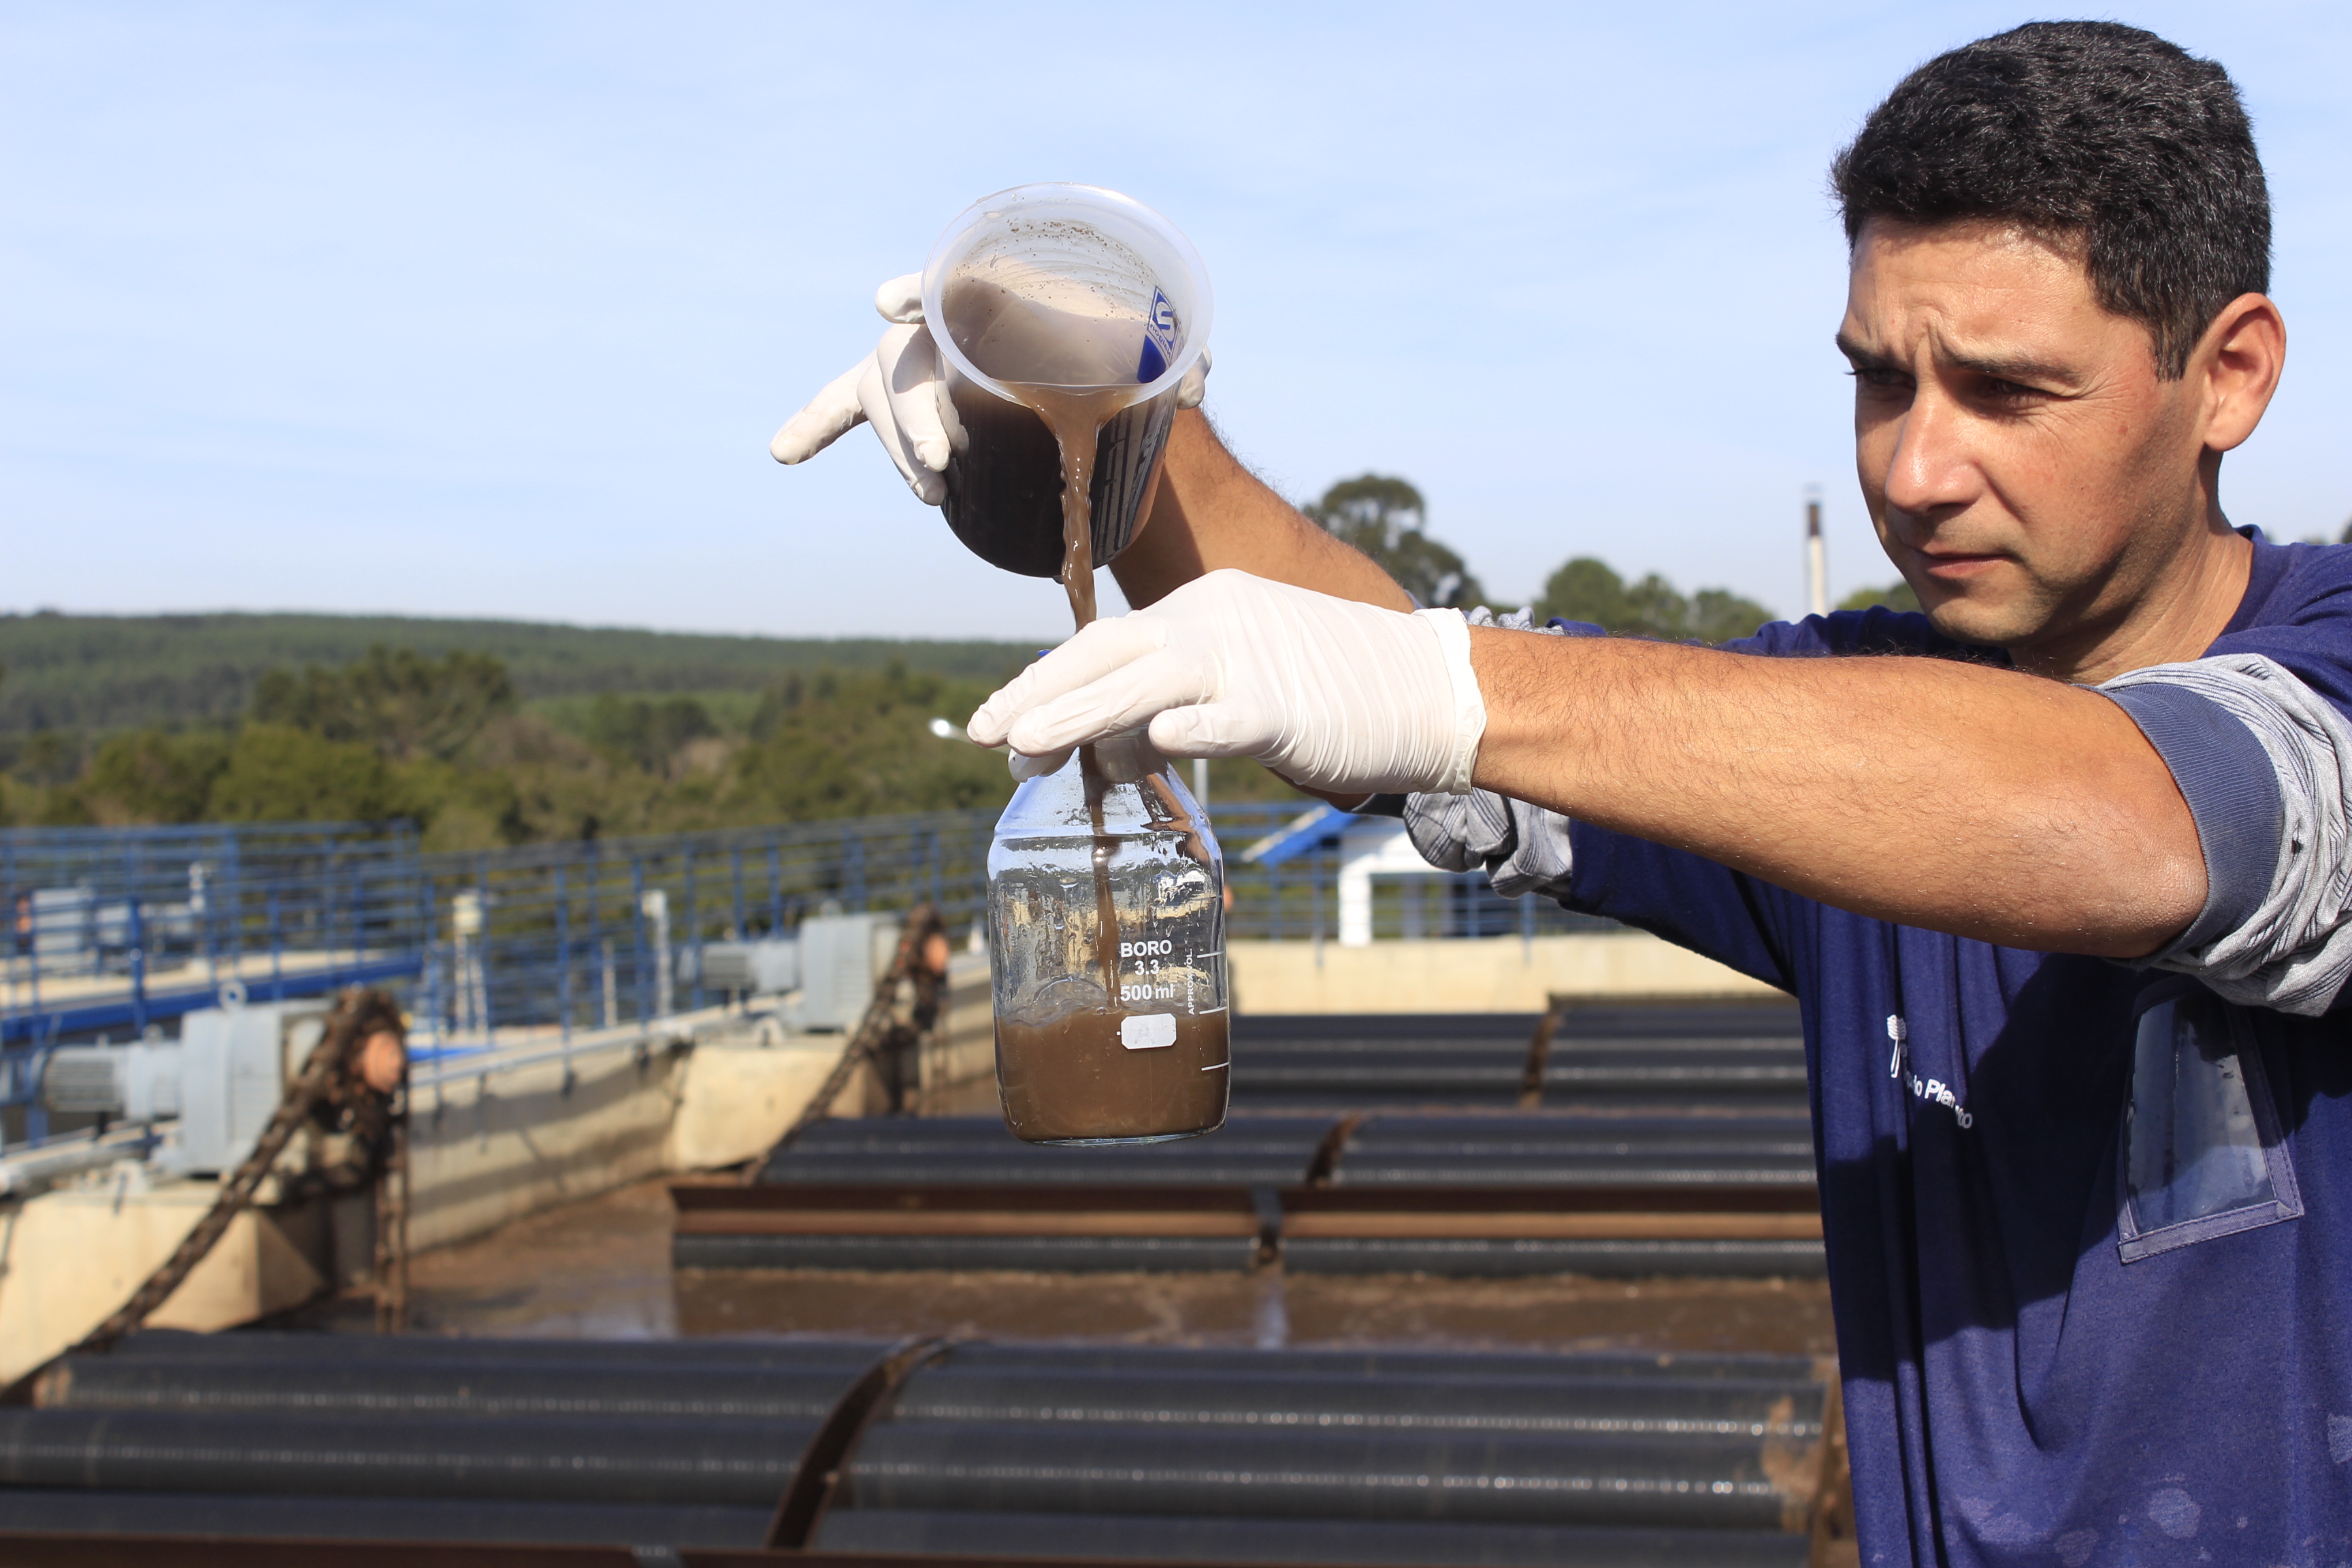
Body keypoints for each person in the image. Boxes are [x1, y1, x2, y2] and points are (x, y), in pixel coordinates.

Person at [776, 22, 2352, 1565]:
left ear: (2228, 377)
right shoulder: (1827, 717)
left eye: (2006, 392)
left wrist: (1450, 689)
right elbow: (1415, 673)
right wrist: (1107, 404)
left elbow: (2133, 821)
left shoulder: (2327, 667)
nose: (1915, 470)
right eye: (1881, 380)